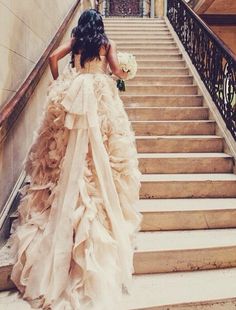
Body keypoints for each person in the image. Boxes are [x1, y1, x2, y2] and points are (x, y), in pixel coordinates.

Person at [9, 9, 143, 310]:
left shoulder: (76, 40)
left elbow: (52, 59)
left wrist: (62, 82)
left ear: (83, 25)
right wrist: (127, 71)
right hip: (99, 94)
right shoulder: (106, 43)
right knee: (101, 156)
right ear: (101, 26)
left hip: (74, 91)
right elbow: (116, 73)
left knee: (67, 155)